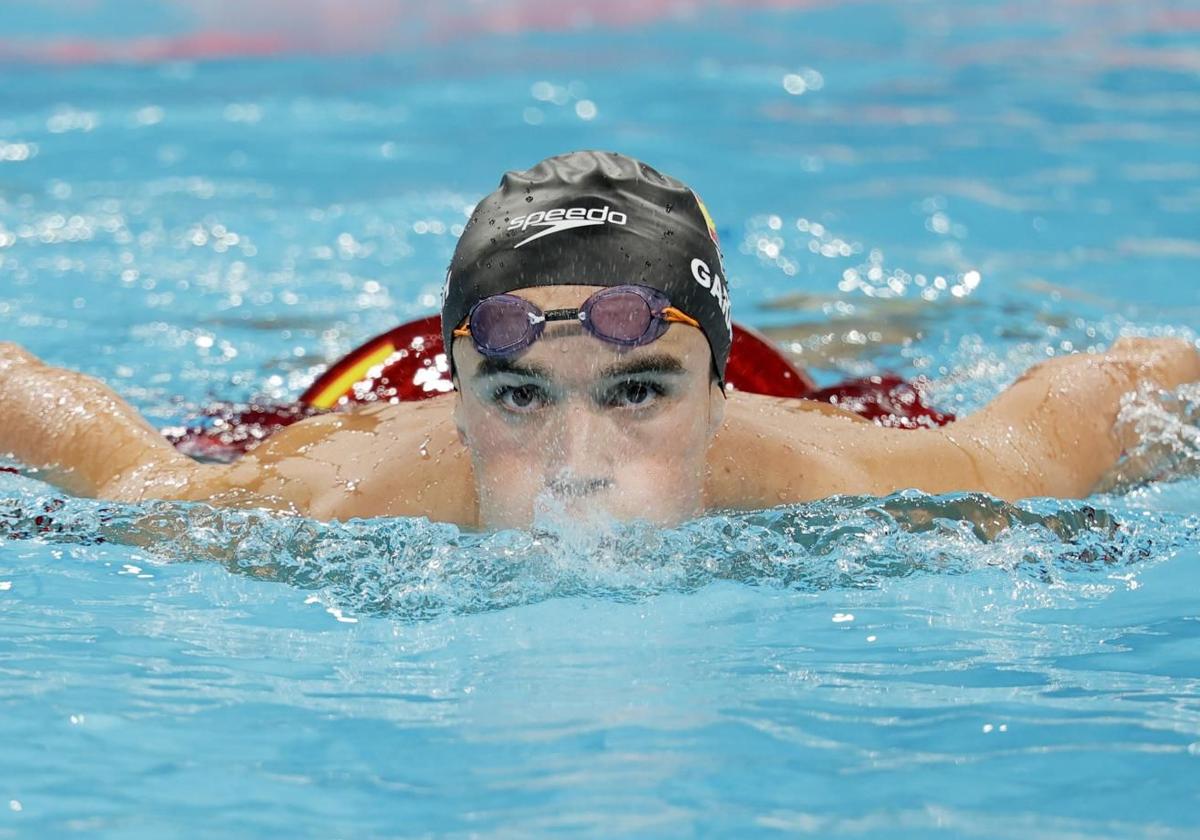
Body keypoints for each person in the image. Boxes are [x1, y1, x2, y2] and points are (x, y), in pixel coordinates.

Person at [2, 150, 1198, 530]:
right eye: (520, 398)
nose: (581, 461)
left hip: (789, 382)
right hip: (367, 392)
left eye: (639, 394)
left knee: (886, 375)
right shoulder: (326, 491)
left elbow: (1118, 389)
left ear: (717, 396)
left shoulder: (858, 475)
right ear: (462, 388)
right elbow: (95, 447)